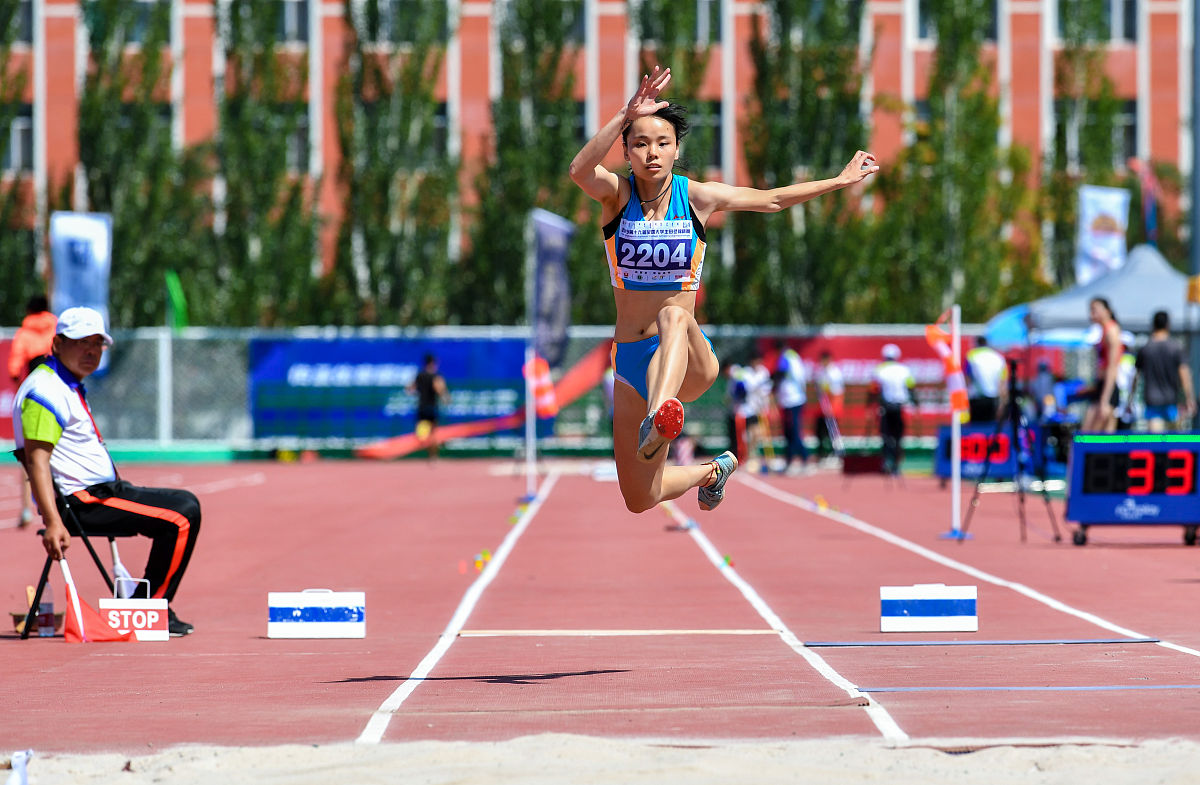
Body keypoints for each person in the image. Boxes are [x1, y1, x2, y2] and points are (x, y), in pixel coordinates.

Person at [568, 66, 878, 512]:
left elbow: (770, 200)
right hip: (630, 361)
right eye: (639, 143)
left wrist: (838, 181)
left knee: (673, 314)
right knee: (639, 497)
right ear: (627, 151)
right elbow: (579, 170)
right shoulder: (617, 197)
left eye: (662, 143)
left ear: (677, 151)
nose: (651, 152)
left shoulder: (696, 197)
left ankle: (660, 419)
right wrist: (626, 113)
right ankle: (711, 471)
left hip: (689, 357)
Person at [12, 307, 201, 636]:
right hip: (81, 502)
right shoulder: (46, 390)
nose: (91, 351)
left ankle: (144, 604)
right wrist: (54, 522)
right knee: (181, 515)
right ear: (56, 344)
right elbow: (37, 461)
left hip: (101, 493)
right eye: (81, 342)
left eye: (97, 344)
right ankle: (150, 610)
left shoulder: (64, 382)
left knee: (185, 501)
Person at [8, 295, 57, 529]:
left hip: (34, 397)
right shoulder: (57, 327)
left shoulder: (24, 334)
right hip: (58, 395)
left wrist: (22, 388)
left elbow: (14, 368)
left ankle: (28, 508)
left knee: (30, 455)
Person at [1132, 310, 1196, 432]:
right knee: (1174, 444)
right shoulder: (1176, 347)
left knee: (1155, 444)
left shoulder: (1145, 348)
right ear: (1168, 325)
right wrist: (1189, 398)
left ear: (1153, 325)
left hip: (1152, 401)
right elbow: (1185, 376)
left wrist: (1131, 399)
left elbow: (1136, 376)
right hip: (1172, 400)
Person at [868, 343, 914, 475]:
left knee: (886, 435)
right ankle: (896, 465)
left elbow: (873, 389)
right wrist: (915, 404)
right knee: (898, 436)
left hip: (885, 408)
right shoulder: (905, 369)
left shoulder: (879, 369)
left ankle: (887, 462)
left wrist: (870, 405)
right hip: (900, 407)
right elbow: (910, 388)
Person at [1082, 297, 1124, 433]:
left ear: (1107, 311)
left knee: (1090, 435)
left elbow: (1113, 367)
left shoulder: (1112, 331)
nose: (1091, 314)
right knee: (1099, 436)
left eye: (1094, 310)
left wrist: (1104, 400)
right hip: (1102, 386)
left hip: (1108, 387)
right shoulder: (1103, 331)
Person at [773, 339, 810, 475]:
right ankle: (792, 460)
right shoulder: (793, 356)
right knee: (790, 431)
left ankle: (801, 459)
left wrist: (772, 383)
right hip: (794, 398)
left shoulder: (786, 357)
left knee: (792, 431)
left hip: (792, 399)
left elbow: (781, 373)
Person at [409, 353, 449, 460]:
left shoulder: (419, 375)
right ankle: (433, 456)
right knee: (434, 433)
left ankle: (421, 438)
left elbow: (409, 388)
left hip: (421, 406)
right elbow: (439, 388)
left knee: (421, 428)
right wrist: (445, 398)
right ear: (432, 363)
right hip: (431, 407)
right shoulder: (435, 376)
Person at [964, 336, 1007, 424]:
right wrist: (1003, 403)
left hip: (976, 398)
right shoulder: (998, 357)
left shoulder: (971, 355)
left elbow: (967, 379)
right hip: (994, 398)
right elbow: (1002, 384)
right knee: (991, 430)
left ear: (976, 344)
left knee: (976, 430)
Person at [812, 349, 845, 463]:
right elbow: (818, 388)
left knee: (833, 431)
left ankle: (837, 453)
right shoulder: (820, 372)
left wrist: (832, 408)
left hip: (832, 407)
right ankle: (822, 454)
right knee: (819, 431)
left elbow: (837, 392)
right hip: (822, 407)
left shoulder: (834, 373)